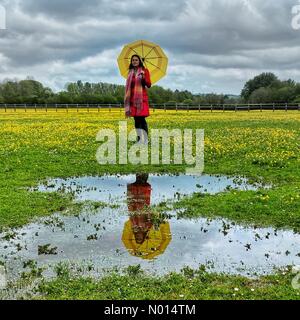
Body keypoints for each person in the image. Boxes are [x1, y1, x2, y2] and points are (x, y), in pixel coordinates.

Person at [124, 55, 152, 144]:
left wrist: (143, 77)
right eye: (133, 60)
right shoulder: (130, 72)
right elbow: (129, 86)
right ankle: (139, 139)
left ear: (140, 61)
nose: (134, 61)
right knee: (136, 120)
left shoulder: (145, 71)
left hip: (141, 99)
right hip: (132, 99)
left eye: (136, 60)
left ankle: (146, 139)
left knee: (142, 119)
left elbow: (148, 84)